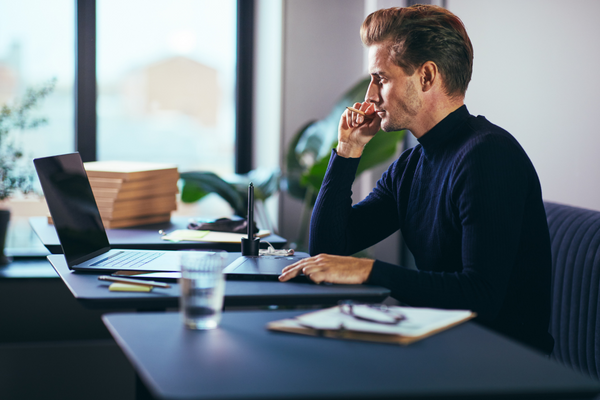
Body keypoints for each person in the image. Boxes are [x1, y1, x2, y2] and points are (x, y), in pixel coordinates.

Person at [279, 4, 554, 354]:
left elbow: (480, 297)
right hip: (444, 348)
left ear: (426, 76)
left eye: (381, 79)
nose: (370, 97)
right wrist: (348, 149)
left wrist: (369, 271)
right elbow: (328, 251)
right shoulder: (411, 166)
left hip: (502, 366)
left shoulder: (489, 156)